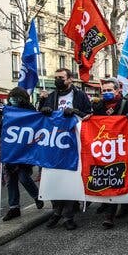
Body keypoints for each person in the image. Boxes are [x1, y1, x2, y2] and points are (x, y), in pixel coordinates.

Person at [39, 68, 92, 230]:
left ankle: (68, 216)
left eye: (61, 77)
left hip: (73, 143)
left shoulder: (80, 95)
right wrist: (43, 107)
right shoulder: (51, 96)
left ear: (70, 79)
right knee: (53, 178)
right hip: (54, 143)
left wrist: (76, 112)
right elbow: (41, 117)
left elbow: (89, 115)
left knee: (69, 179)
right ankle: (56, 211)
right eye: (56, 78)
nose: (58, 80)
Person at [89, 78, 128, 228]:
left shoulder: (126, 105)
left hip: (121, 146)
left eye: (109, 90)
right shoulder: (98, 106)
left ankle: (116, 210)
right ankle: (110, 211)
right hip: (104, 146)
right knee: (107, 176)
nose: (106, 93)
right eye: (104, 91)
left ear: (117, 90)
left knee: (120, 175)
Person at [0, 87, 44, 221]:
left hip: (25, 150)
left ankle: (37, 196)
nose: (13, 101)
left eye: (16, 98)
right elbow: (2, 129)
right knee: (10, 180)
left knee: (23, 177)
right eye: (11, 98)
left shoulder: (30, 112)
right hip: (9, 150)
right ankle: (14, 207)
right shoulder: (7, 112)